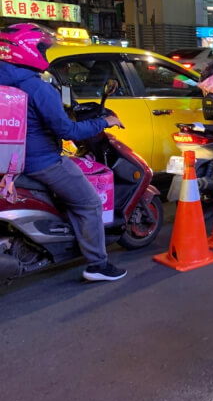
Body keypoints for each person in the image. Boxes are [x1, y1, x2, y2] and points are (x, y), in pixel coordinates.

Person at [0, 23, 126, 281]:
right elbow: (68, 131)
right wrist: (105, 122)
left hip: (8, 162)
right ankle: (97, 265)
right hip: (40, 162)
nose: (46, 54)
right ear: (28, 51)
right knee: (90, 203)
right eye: (43, 49)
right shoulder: (37, 88)